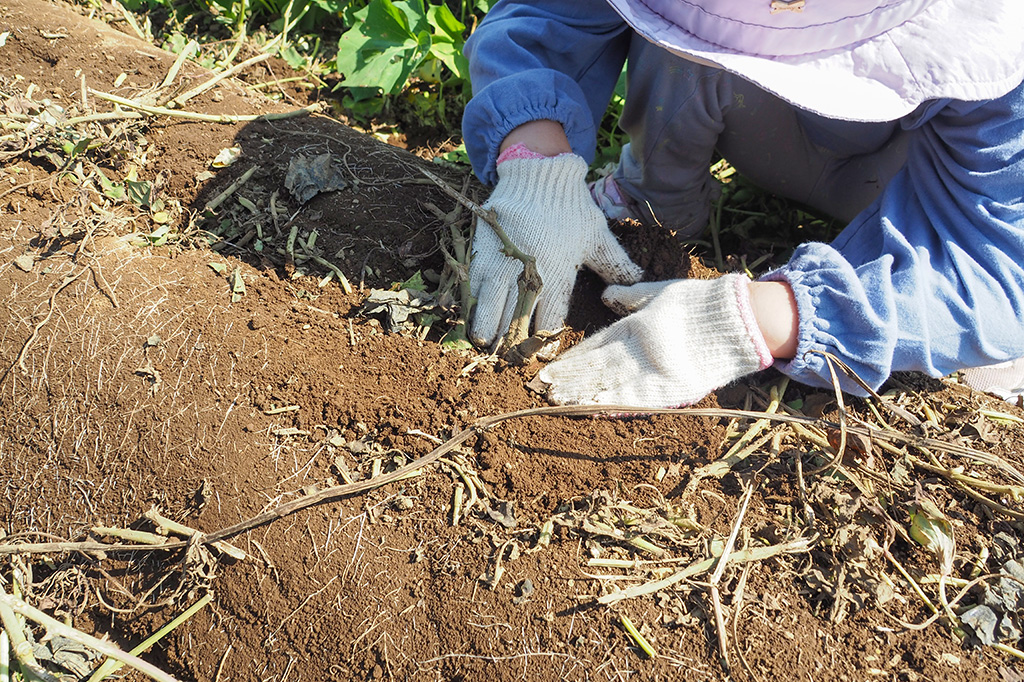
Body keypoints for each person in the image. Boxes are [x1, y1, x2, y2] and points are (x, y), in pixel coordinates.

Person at [460, 0, 1024, 408]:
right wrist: (536, 160)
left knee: (981, 355)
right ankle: (653, 208)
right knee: (683, 48)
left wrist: (772, 317)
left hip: (903, 176)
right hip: (758, 123)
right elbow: (545, 18)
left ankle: (885, 282)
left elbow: (1007, 271)